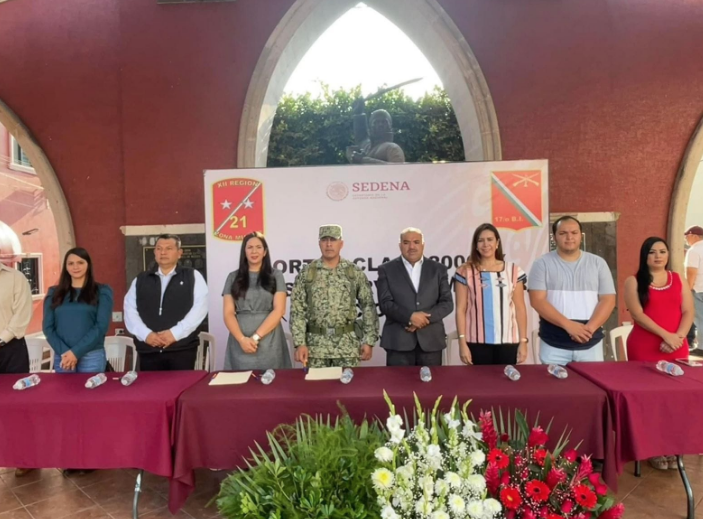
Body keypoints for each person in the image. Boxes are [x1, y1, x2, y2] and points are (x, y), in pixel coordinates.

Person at [624, 236, 693, 470]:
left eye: (662, 251)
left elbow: (688, 312)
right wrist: (666, 336)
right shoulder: (633, 281)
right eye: (652, 252)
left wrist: (677, 337)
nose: (658, 256)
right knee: (649, 401)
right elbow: (638, 314)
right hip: (644, 347)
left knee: (675, 400)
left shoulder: (678, 279)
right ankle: (652, 449)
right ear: (644, 256)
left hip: (676, 346)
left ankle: (672, 446)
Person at [529, 216, 616, 365]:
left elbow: (608, 300)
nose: (569, 237)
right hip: (553, 344)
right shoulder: (541, 264)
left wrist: (587, 330)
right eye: (563, 233)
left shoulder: (598, 263)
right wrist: (569, 326)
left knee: (591, 381)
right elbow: (537, 300)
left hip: (590, 344)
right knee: (553, 381)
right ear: (554, 237)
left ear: (580, 235)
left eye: (574, 233)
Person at [290, 225, 379, 368]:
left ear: (341, 243)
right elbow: (297, 310)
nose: (329, 244)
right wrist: (300, 343)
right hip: (315, 348)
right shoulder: (307, 273)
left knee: (348, 383)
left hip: (347, 348)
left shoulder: (353, 272)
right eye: (324, 240)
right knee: (318, 383)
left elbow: (368, 306)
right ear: (319, 243)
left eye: (333, 239)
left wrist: (369, 341)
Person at [124, 234, 208, 371]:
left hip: (181, 350)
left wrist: (174, 333)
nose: (163, 252)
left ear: (179, 253)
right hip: (149, 350)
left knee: (181, 384)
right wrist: (146, 334)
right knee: (151, 385)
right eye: (159, 248)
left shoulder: (192, 276)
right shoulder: (141, 279)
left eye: (169, 248)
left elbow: (200, 308)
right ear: (154, 252)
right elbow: (130, 310)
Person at [376, 228, 453, 366]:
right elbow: (385, 303)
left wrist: (422, 320)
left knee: (431, 380)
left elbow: (447, 303)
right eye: (406, 242)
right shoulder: (386, 269)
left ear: (423, 244)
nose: (411, 247)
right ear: (400, 245)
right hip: (398, 342)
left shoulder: (438, 269)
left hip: (431, 342)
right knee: (397, 381)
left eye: (416, 242)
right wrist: (410, 317)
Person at [455, 223, 528, 365]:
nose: (485, 244)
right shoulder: (465, 271)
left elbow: (520, 308)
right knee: (480, 380)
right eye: (481, 240)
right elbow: (460, 309)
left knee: (505, 379)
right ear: (476, 245)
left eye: (490, 239)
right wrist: (462, 343)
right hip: (476, 342)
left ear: (497, 243)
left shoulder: (513, 270)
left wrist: (523, 341)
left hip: (508, 342)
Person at [222, 232, 291, 370]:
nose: (254, 251)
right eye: (250, 247)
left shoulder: (276, 275)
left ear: (265, 252)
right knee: (240, 382)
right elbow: (228, 313)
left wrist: (255, 338)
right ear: (244, 251)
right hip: (240, 342)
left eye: (258, 247)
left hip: (270, 342)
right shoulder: (232, 277)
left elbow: (279, 310)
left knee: (274, 380)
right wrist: (242, 340)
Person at [43, 247, 113, 373]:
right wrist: (65, 352)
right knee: (65, 387)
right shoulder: (54, 292)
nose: (75, 267)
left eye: (80, 262)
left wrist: (75, 352)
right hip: (63, 355)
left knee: (90, 387)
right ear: (65, 267)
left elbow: (101, 326)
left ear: (88, 264)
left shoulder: (102, 291)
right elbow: (48, 327)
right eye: (70, 263)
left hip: (91, 355)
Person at [0, 234, 33, 478]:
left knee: (18, 406)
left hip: (11, 349)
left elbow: (22, 315)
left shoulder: (16, 278)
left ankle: (25, 458)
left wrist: (2, 338)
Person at [347, 98, 405, 164]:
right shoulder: (366, 146)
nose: (380, 124)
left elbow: (397, 168)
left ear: (390, 126)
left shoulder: (392, 148)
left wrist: (363, 160)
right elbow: (361, 137)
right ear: (370, 127)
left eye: (384, 122)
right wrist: (359, 114)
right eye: (376, 122)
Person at [684, 225, 703, 350]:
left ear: (694, 236)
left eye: (687, 236)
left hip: (699, 290)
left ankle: (702, 348)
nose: (686, 239)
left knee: (700, 319)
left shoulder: (694, 251)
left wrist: (687, 291)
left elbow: (691, 274)